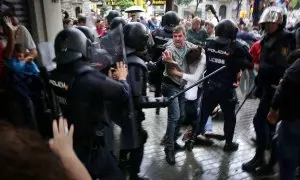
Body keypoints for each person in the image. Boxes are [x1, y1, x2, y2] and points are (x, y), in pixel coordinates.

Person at [49, 28, 129, 180]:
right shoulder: (88, 78)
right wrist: (122, 77)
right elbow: (123, 93)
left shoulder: (53, 74)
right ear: (84, 47)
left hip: (68, 141)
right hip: (91, 148)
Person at [185, 19, 253, 151]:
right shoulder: (236, 47)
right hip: (225, 90)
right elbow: (249, 62)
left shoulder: (209, 43)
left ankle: (191, 140)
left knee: (203, 115)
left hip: (209, 86)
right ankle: (228, 144)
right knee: (229, 117)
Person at [242, 6, 296, 173]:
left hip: (277, 88)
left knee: (263, 122)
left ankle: (267, 162)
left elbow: (280, 66)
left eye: (274, 22)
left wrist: (257, 66)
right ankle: (263, 159)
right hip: (267, 86)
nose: (270, 25)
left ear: (280, 23)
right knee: (268, 126)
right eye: (268, 22)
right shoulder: (268, 37)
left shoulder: (285, 39)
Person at [161, 25, 197, 165]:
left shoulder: (189, 45)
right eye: (175, 36)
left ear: (184, 36)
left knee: (182, 116)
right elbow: (170, 70)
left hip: (181, 86)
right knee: (174, 116)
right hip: (170, 85)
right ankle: (169, 149)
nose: (177, 38)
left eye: (179, 36)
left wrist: (201, 53)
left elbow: (200, 51)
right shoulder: (169, 49)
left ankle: (173, 141)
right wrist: (168, 61)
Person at [149, 11, 180, 115]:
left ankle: (157, 106)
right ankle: (171, 110)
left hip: (157, 67)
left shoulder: (156, 32)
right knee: (171, 88)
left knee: (158, 87)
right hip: (170, 67)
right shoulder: (177, 36)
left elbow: (150, 47)